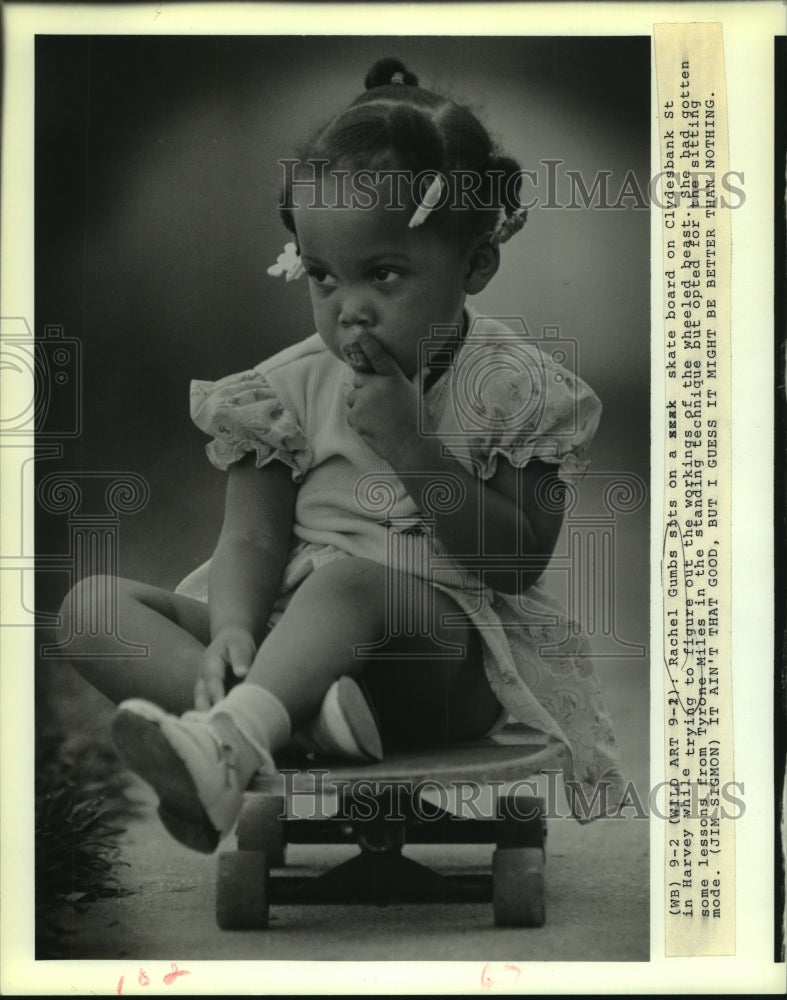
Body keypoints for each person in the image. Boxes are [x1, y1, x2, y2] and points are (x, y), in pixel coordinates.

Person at [58, 57, 623, 854]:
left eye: (382, 275)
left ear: (475, 266)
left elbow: (515, 562)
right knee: (92, 610)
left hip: (437, 662)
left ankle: (234, 737)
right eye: (322, 277)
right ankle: (284, 721)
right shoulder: (280, 391)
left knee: (351, 582)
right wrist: (230, 628)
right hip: (296, 644)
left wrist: (411, 448)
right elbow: (250, 540)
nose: (347, 308)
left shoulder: (518, 391)